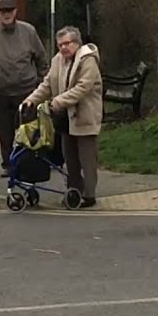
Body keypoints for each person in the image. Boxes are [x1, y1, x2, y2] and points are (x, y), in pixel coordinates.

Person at [23, 25, 103, 208]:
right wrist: (30, 101)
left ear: (77, 43)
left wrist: (58, 101)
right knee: (70, 158)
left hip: (85, 115)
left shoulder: (88, 60)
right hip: (65, 118)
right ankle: (74, 191)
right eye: (60, 45)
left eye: (67, 43)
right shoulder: (58, 60)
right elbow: (47, 85)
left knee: (87, 158)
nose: (64, 48)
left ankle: (89, 195)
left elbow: (83, 88)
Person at [0, 0, 48, 177]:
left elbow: (41, 59)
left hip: (27, 91)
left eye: (10, 11)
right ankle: (8, 165)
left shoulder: (28, 32)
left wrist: (42, 83)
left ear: (15, 12)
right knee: (5, 132)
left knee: (29, 130)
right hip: (1, 92)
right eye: (2, 12)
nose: (6, 15)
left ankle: (29, 164)